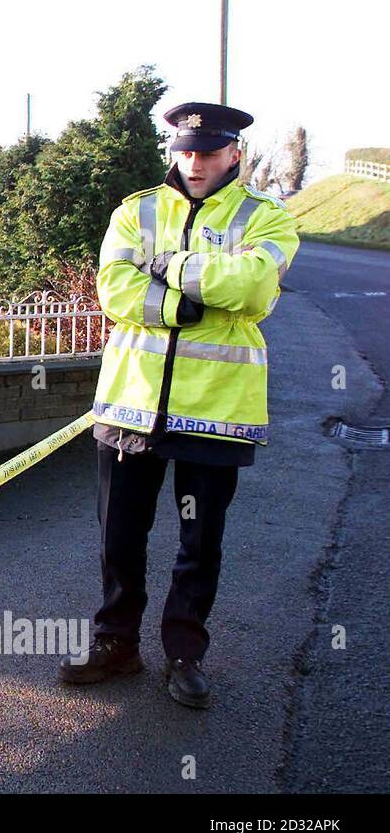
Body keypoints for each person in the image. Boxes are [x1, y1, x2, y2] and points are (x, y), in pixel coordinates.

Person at [58, 101, 300, 708]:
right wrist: (182, 304)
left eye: (210, 151)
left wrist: (170, 266)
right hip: (130, 406)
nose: (196, 162)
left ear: (234, 154)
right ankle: (116, 644)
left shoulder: (267, 217)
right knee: (119, 534)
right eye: (186, 150)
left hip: (216, 411)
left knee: (200, 543)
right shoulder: (136, 209)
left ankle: (185, 655)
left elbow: (254, 287)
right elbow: (113, 286)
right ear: (173, 150)